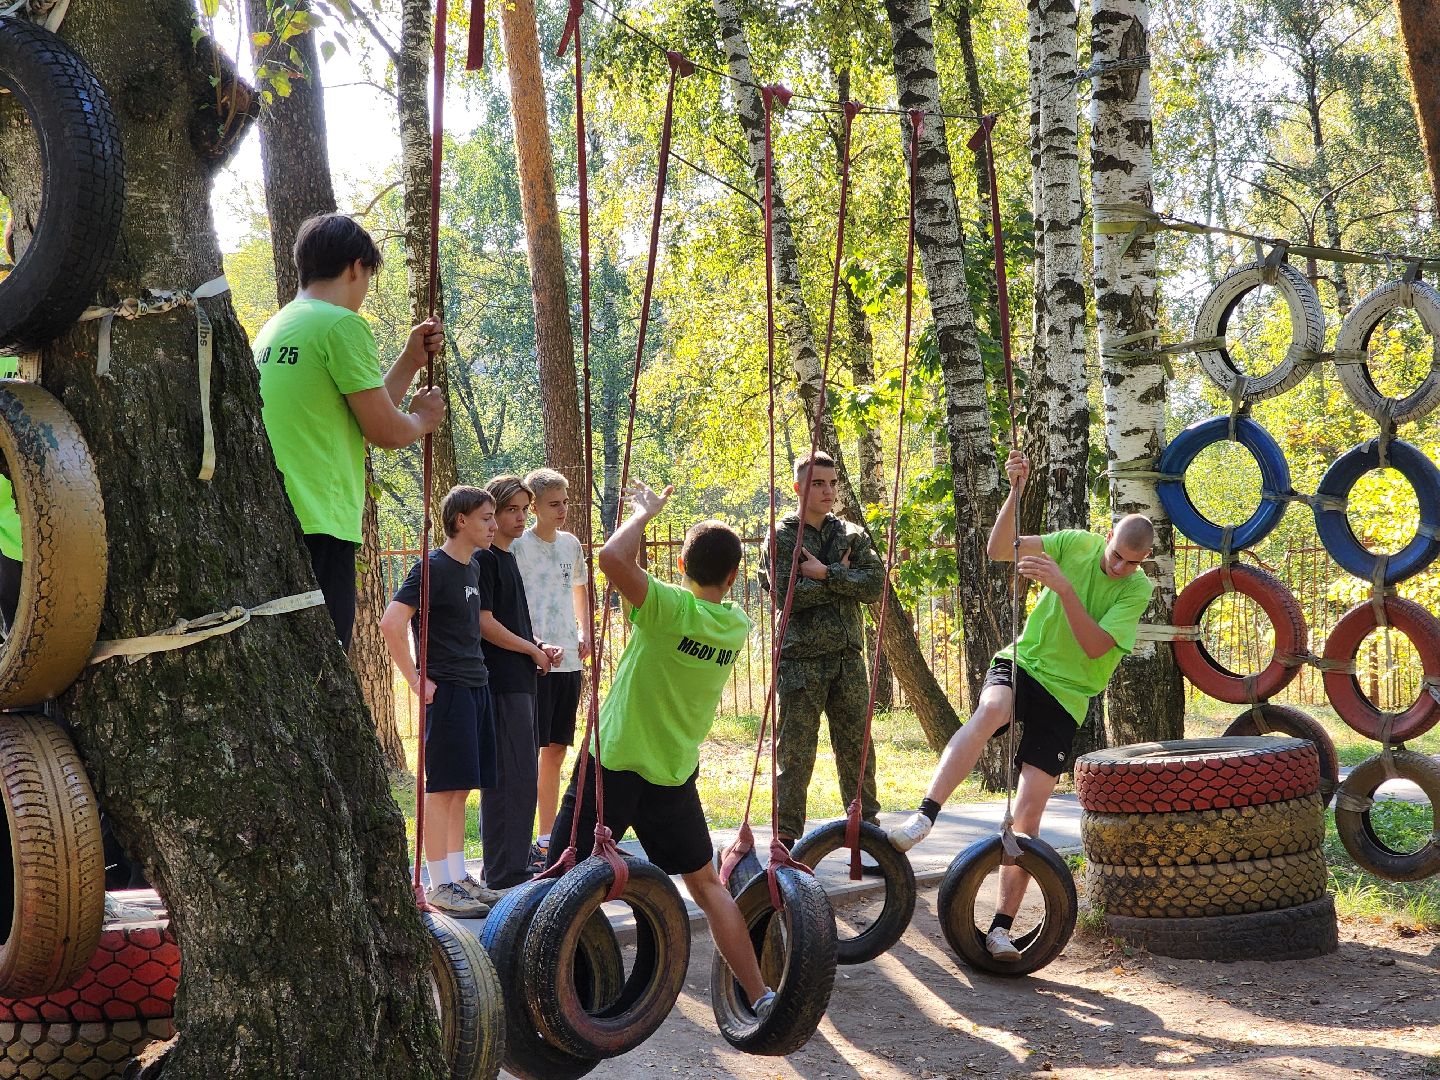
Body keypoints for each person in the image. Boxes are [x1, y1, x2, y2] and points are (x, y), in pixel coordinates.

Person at [889, 449, 1154, 960]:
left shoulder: (1135, 591)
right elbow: (999, 548)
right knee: (991, 711)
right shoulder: (1076, 543)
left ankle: (1001, 929)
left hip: (1069, 692)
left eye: (1132, 562)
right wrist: (1015, 491)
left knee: (1028, 813)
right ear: (1107, 536)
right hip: (1024, 663)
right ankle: (924, 816)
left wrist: (1064, 589)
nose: (1120, 567)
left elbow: (1094, 647)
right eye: (1117, 555)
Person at [547, 481, 775, 1022]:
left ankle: (549, 1001)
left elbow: (610, 559)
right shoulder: (735, 625)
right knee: (707, 886)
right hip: (673, 772)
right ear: (733, 577)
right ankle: (760, 995)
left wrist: (644, 513)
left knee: (560, 882)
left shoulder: (668, 608)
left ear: (679, 565)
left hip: (614, 762)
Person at [254, 213, 446, 649]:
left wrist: (409, 360)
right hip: (320, 519)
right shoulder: (341, 324)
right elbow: (386, 431)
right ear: (357, 267)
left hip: (276, 515)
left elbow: (361, 410)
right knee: (325, 660)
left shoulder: (278, 326)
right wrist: (422, 419)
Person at [380, 485, 503, 918]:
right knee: (443, 787)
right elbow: (391, 623)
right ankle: (438, 885)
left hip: (476, 686)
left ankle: (457, 877)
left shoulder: (474, 567)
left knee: (461, 787)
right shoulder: (431, 568)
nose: (494, 525)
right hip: (447, 690)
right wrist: (416, 680)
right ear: (460, 520)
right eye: (486, 517)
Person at [761, 451, 885, 850]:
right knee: (795, 753)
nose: (828, 491)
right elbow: (788, 596)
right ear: (798, 488)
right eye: (817, 483)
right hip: (801, 659)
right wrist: (844, 578)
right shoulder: (782, 537)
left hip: (848, 658)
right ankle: (785, 841)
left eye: (832, 483)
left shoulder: (850, 534)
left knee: (857, 750)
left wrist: (826, 573)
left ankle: (866, 833)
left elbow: (875, 586)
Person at [477, 475, 560, 891]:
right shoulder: (485, 559)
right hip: (502, 682)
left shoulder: (508, 557)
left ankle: (514, 860)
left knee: (523, 776)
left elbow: (511, 621)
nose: (520, 517)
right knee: (509, 778)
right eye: (511, 509)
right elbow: (485, 623)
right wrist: (530, 650)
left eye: (524, 509)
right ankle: (503, 871)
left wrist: (537, 645)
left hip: (522, 680)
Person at [511, 467, 590, 874]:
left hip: (569, 660)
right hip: (534, 658)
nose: (562, 510)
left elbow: (579, 588)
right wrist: (534, 643)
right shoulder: (518, 547)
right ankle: (519, 841)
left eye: (565, 502)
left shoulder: (571, 544)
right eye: (554, 504)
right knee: (528, 751)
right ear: (535, 507)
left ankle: (547, 838)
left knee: (556, 750)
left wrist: (585, 631)